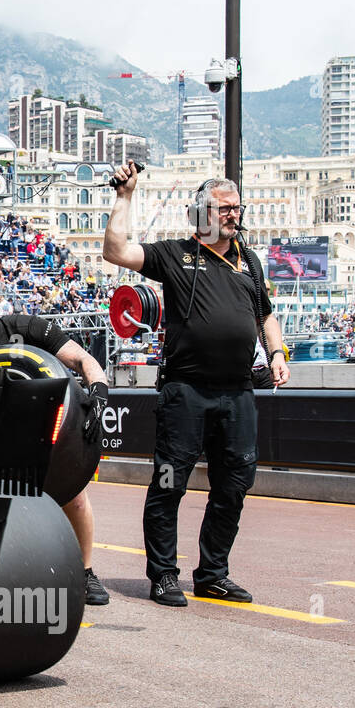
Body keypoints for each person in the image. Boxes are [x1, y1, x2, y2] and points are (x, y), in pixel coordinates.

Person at [103, 164, 288, 607]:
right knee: (169, 484)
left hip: (238, 392)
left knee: (235, 485)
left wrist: (278, 352)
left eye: (236, 207)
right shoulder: (175, 254)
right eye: (224, 208)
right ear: (200, 213)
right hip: (185, 391)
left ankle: (212, 574)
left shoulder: (250, 260)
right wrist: (125, 195)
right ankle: (163, 574)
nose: (233, 215)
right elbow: (115, 251)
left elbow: (265, 314)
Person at [0, 273, 112, 606]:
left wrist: (98, 394)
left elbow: (84, 360)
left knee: (75, 496)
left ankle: (85, 573)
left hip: (42, 421)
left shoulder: (27, 327)